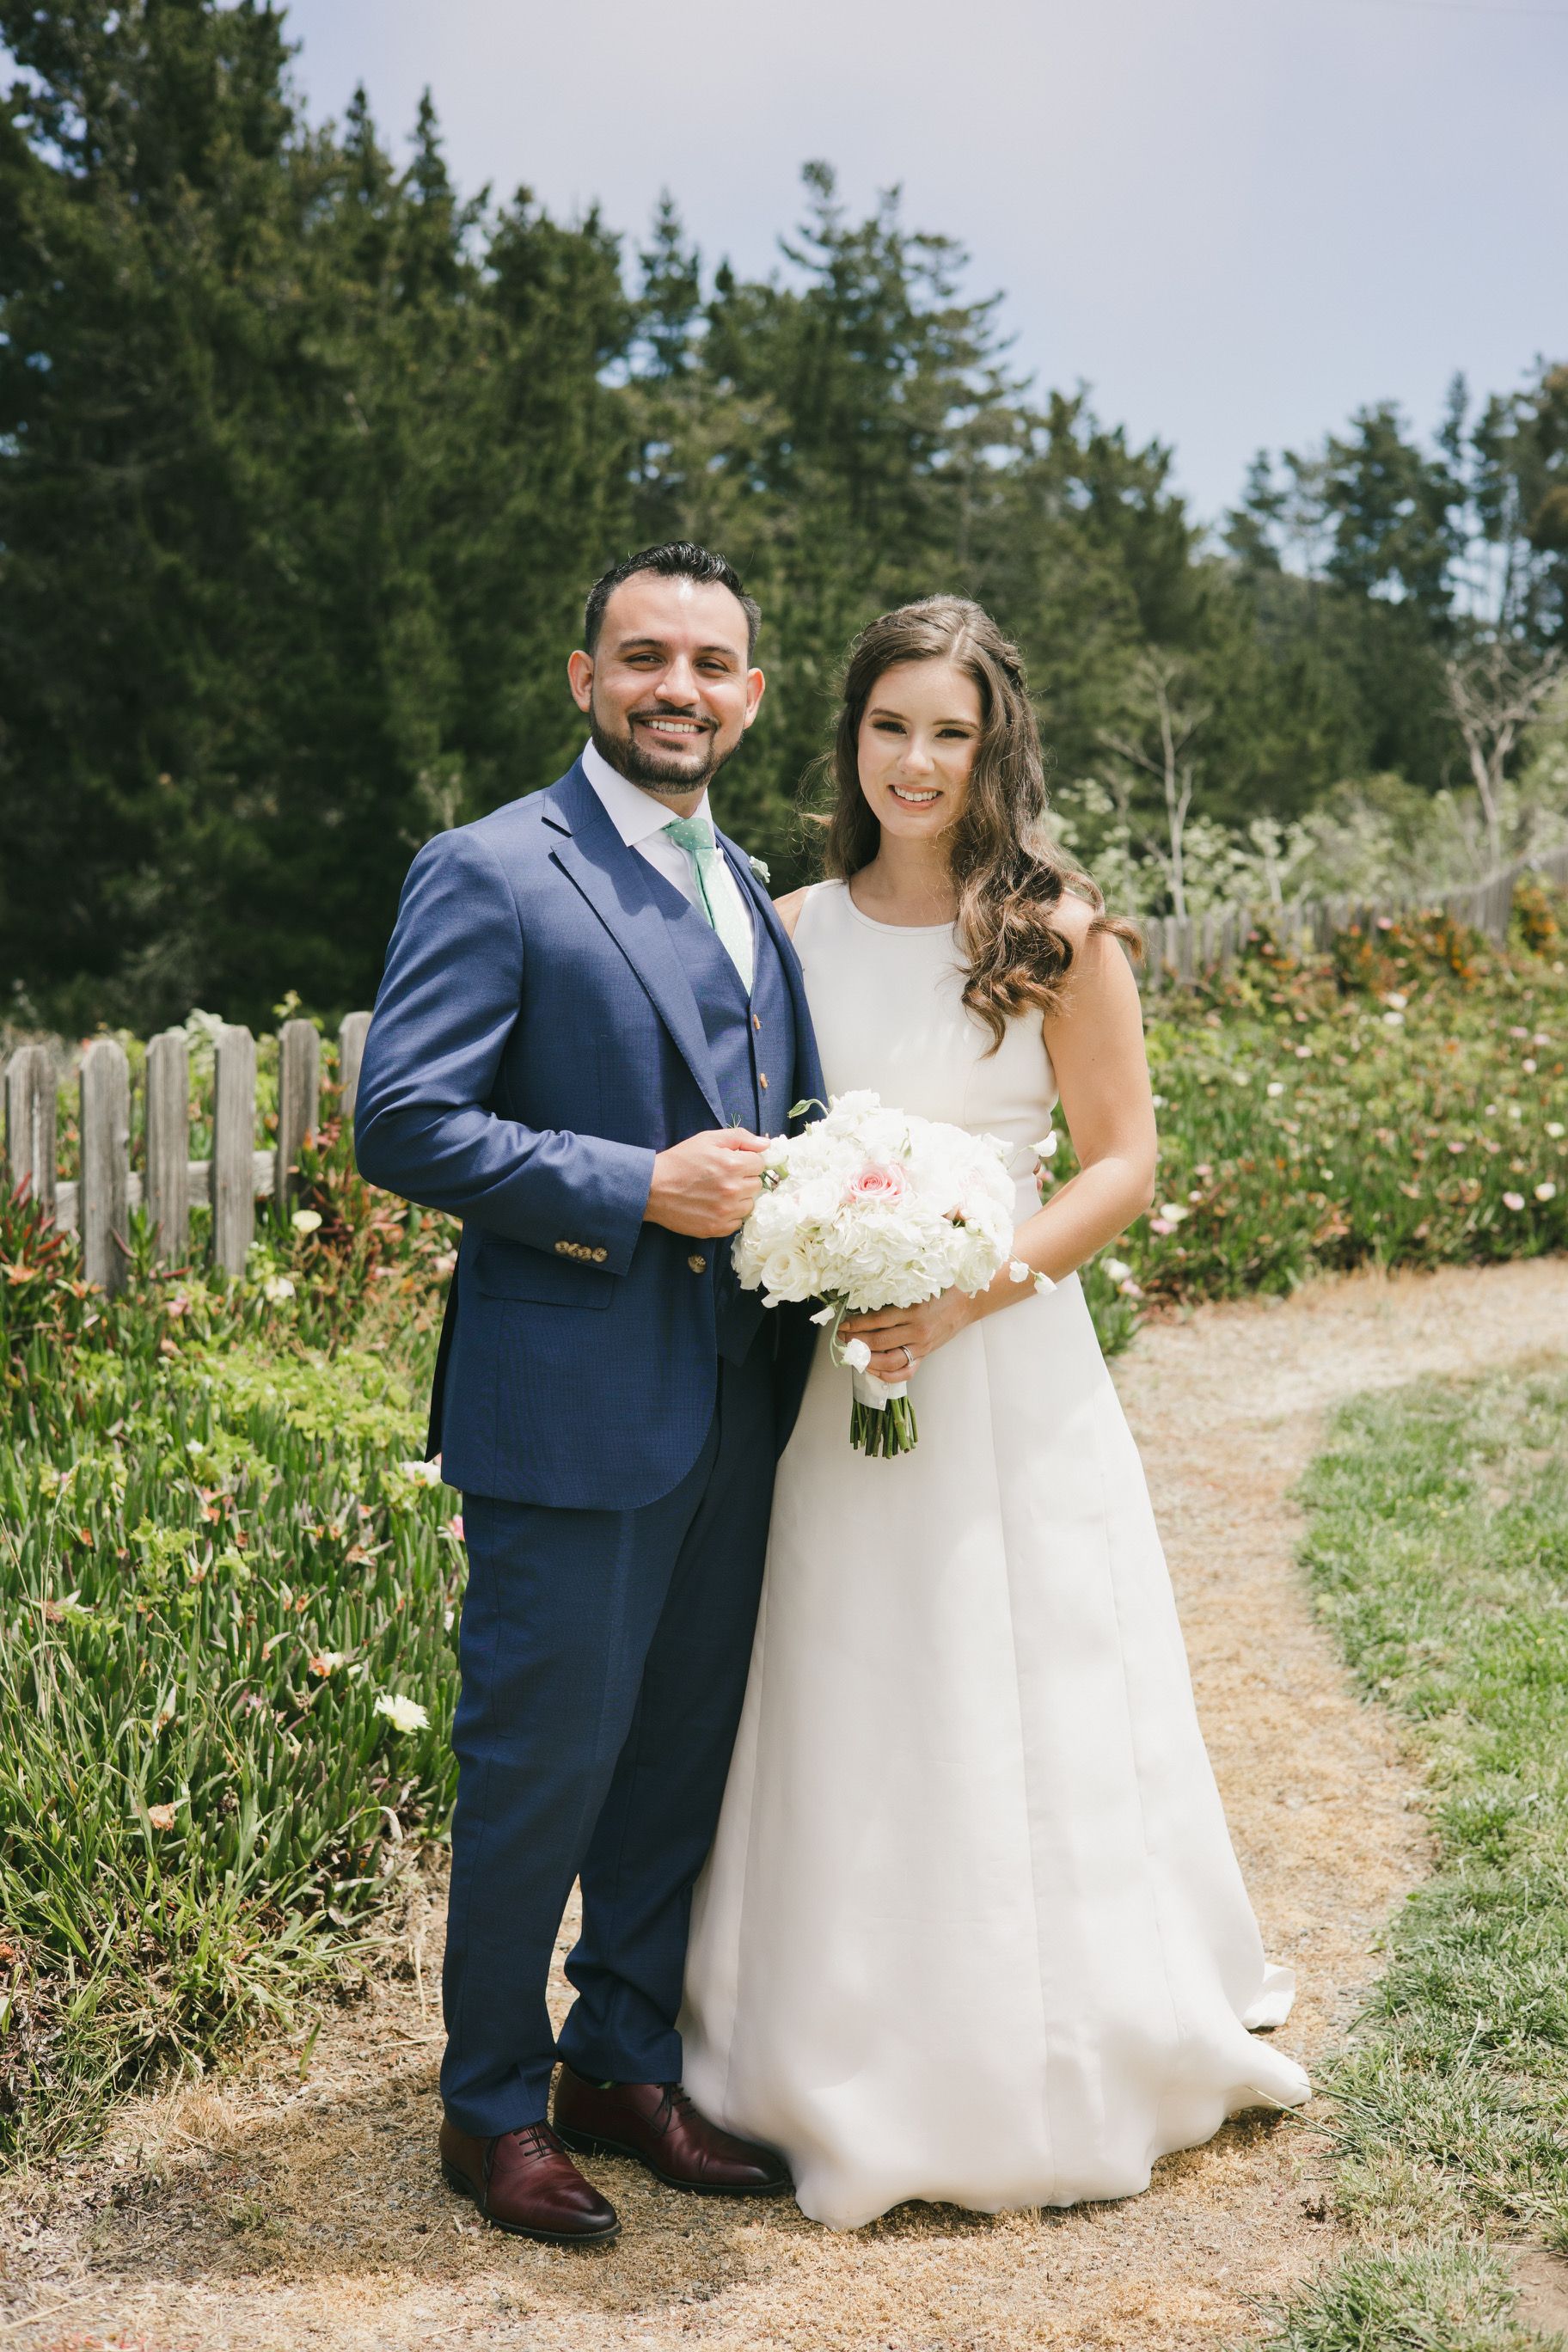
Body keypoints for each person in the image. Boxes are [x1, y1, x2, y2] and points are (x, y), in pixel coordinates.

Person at [680, 595, 1310, 2229]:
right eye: (890, 725)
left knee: (1020, 1661)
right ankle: (821, 2028)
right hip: (842, 1365)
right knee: (846, 1663)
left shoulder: (1052, 931)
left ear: (993, 745)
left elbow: (1123, 1160)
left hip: (1007, 1350)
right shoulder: (793, 924)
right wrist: (827, 1258)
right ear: (849, 737)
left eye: (948, 731)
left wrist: (966, 1293)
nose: (915, 758)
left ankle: (1063, 2020)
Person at [354, 542, 824, 2247]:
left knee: (677, 1755)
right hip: (568, 1408)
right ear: (583, 677)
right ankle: (489, 2109)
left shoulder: (754, 886)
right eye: (644, 657)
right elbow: (401, 1117)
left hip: (738, 1405)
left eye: (710, 663)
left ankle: (619, 2060)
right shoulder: (489, 870)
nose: (677, 688)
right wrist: (631, 1184)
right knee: (540, 1762)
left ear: (751, 697)